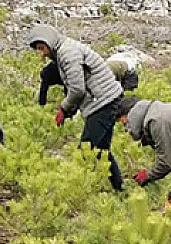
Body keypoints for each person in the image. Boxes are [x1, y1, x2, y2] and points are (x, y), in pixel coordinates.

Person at [28, 24, 125, 191]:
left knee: (85, 151)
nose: (42, 53)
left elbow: (77, 89)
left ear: (49, 42)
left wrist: (64, 108)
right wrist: (69, 110)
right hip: (105, 100)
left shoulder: (67, 53)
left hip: (103, 102)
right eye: (38, 49)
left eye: (42, 48)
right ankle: (120, 189)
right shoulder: (64, 51)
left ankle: (75, 193)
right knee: (102, 150)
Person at [38, 50, 140, 106]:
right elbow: (70, 89)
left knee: (125, 100)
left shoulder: (100, 74)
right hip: (117, 69)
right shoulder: (55, 71)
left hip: (128, 72)